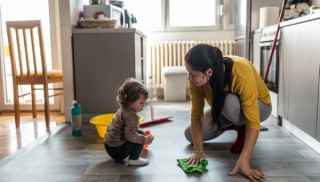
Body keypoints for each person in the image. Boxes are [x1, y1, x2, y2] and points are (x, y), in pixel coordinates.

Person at [184, 44, 271, 181]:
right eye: (188, 73)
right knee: (190, 135)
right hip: (225, 111)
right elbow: (196, 116)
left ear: (209, 72)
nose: (189, 78)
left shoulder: (241, 71)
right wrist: (198, 152)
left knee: (228, 101)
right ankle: (232, 123)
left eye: (192, 74)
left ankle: (241, 127)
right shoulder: (196, 81)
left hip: (260, 107)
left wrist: (245, 161)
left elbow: (254, 122)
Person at [104, 78, 154, 166]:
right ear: (130, 101)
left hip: (109, 146)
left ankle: (129, 155)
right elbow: (130, 136)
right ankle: (134, 159)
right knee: (139, 137)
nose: (143, 106)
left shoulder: (123, 109)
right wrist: (144, 139)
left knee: (140, 132)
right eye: (141, 103)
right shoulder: (131, 116)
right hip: (117, 150)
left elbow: (127, 131)